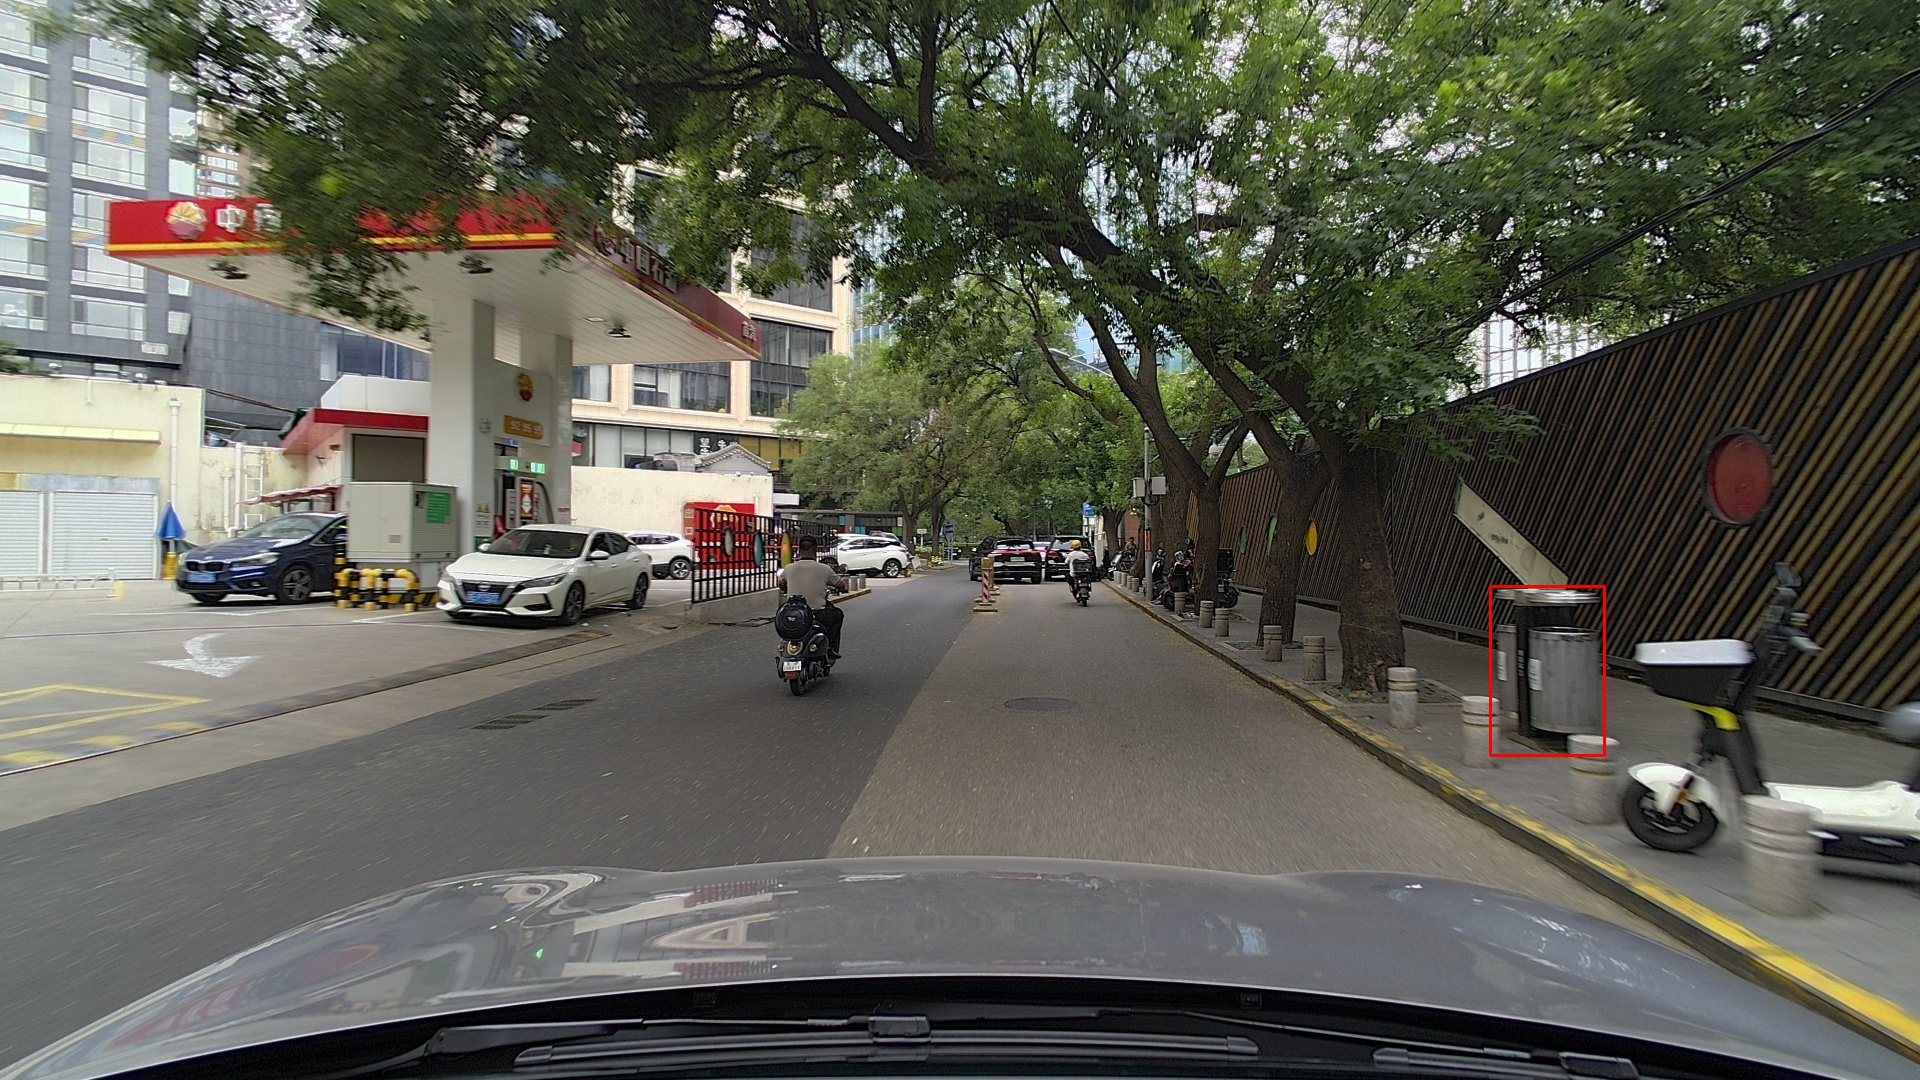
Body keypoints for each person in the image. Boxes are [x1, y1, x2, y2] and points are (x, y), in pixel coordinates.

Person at [777, 535, 850, 658]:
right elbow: (841, 585)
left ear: (799, 550)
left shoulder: (789, 568)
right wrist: (841, 589)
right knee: (837, 615)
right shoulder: (825, 569)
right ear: (815, 550)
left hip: (794, 614)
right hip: (817, 614)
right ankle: (830, 648)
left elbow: (781, 584)